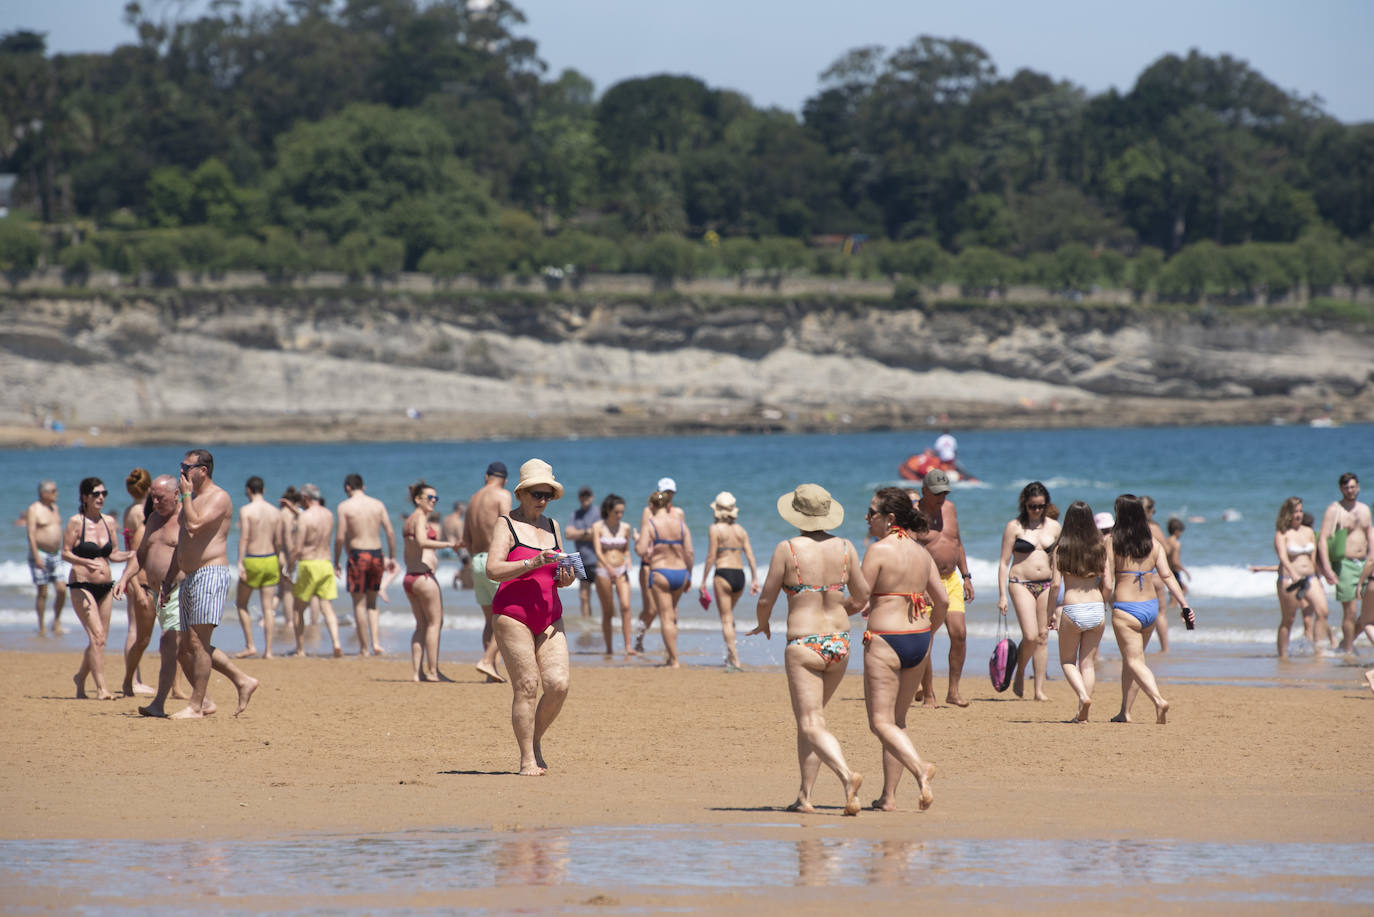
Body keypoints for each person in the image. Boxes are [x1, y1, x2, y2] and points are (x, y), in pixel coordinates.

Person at [749, 483, 869, 814]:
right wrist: (842, 608)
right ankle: (805, 796)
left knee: (810, 721)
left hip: (804, 642)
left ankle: (847, 776)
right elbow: (862, 594)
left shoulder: (787, 549)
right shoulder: (845, 547)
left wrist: (763, 623)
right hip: (840, 642)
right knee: (813, 723)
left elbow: (766, 598)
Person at [483, 459, 577, 776]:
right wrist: (533, 562)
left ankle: (535, 741)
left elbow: (564, 571)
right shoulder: (506, 524)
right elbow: (492, 569)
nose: (542, 500)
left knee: (559, 684)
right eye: (536, 493)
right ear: (522, 494)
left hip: (550, 616)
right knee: (526, 685)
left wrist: (567, 577)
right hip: (513, 615)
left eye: (547, 494)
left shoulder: (553, 526)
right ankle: (526, 759)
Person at [860, 486, 945, 812]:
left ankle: (919, 769)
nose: (867, 518)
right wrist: (930, 632)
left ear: (889, 518)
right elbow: (943, 600)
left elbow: (858, 599)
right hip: (918, 639)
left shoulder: (878, 551)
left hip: (885, 638)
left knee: (880, 723)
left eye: (872, 513)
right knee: (897, 722)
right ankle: (888, 798)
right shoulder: (922, 553)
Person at [157, 449, 259, 718]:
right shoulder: (191, 498)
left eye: (187, 467)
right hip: (188, 576)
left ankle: (196, 705)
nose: (182, 471)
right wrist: (168, 582)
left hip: (210, 573)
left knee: (198, 643)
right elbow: (183, 542)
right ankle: (241, 681)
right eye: (181, 465)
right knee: (184, 648)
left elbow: (194, 526)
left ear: (203, 470)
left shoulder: (219, 497)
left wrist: (186, 496)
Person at [1107, 494, 1193, 725]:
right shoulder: (1152, 544)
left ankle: (1158, 700)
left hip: (1126, 609)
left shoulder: (1112, 542)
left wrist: (1101, 604)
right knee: (1132, 661)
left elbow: (1106, 582)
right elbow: (1167, 576)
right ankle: (1125, 711)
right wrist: (1184, 604)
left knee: (1134, 661)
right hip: (1150, 609)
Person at [114, 475, 191, 716]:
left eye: (161, 497)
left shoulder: (186, 520)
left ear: (176, 495)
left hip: (178, 591)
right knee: (156, 643)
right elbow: (139, 555)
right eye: (153, 497)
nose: (156, 502)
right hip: (154, 592)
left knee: (171, 644)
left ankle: (162, 700)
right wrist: (126, 579)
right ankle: (129, 680)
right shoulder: (153, 521)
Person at [63, 477, 133, 700]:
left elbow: (113, 554)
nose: (101, 497)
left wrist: (134, 554)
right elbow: (65, 552)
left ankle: (80, 678)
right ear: (84, 497)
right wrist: (85, 562)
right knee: (97, 635)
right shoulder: (76, 522)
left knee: (100, 639)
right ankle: (102, 689)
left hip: (105, 586)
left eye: (104, 493)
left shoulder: (109, 522)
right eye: (96, 494)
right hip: (81, 585)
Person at [913, 469, 973, 707]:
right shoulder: (914, 514)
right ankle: (929, 693)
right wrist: (921, 585)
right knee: (926, 638)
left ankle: (953, 691)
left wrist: (966, 575)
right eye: (936, 493)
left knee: (959, 634)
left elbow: (957, 542)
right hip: (927, 582)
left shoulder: (950, 508)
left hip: (951, 579)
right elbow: (911, 551)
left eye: (945, 493)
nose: (941, 498)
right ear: (924, 491)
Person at [996, 482, 1061, 701]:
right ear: (1025, 504)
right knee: (1030, 635)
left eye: (1041, 506)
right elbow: (1004, 562)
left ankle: (1039, 689)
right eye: (1032, 506)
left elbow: (1059, 560)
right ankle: (1021, 671)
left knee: (1043, 636)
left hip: (1046, 584)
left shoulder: (1054, 527)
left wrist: (1061, 591)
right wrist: (1002, 595)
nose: (1036, 510)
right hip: (1020, 583)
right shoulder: (1014, 527)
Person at [1049, 501, 1111, 723]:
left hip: (1073, 607)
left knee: (1067, 661)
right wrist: (1101, 604)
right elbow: (1109, 584)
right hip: (1096, 607)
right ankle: (1083, 714)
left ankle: (1083, 698)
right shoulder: (1099, 548)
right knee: (1087, 663)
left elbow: (1055, 585)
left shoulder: (1061, 549)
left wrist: (1050, 613)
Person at [334, 473, 399, 655]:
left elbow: (340, 537)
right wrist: (392, 557)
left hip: (358, 554)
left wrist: (336, 561)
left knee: (359, 604)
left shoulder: (344, 507)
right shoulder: (377, 504)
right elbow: (390, 532)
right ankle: (376, 643)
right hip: (377, 553)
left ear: (347, 487)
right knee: (372, 603)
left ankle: (364, 647)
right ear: (363, 487)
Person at [402, 480, 459, 681]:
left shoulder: (409, 519)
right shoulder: (419, 518)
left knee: (421, 625)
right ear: (418, 500)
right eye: (430, 498)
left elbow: (409, 549)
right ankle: (433, 671)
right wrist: (448, 544)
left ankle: (417, 673)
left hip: (409, 577)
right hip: (423, 578)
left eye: (436, 498)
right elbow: (421, 541)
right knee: (435, 623)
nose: (434, 501)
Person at [699, 492, 760, 671]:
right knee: (730, 617)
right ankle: (729, 657)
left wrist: (702, 581)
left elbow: (711, 556)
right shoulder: (741, 530)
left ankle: (735, 660)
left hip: (723, 574)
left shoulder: (715, 529)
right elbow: (750, 555)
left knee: (725, 619)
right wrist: (755, 579)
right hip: (740, 575)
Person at [465, 462, 511, 683]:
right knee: (506, 615)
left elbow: (466, 538)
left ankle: (490, 671)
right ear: (506, 480)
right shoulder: (503, 495)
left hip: (476, 561)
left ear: (486, 476)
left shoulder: (473, 499)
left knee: (489, 620)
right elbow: (508, 529)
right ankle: (487, 660)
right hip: (494, 561)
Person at [637, 488, 694, 668]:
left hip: (661, 572)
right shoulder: (680, 523)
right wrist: (689, 575)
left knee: (666, 617)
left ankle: (674, 661)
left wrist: (637, 539)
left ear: (652, 506)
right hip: (681, 572)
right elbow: (690, 552)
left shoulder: (651, 523)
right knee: (672, 615)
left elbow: (641, 550)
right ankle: (670, 656)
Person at [1318, 473, 1372, 653]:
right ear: (1341, 489)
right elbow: (1323, 540)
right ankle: (1348, 652)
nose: (1350, 490)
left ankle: (1345, 644)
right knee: (1350, 610)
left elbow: (1370, 535)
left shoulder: (1364, 509)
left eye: (1353, 487)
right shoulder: (1335, 510)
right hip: (1345, 564)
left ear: (1358, 487)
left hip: (1365, 563)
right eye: (1346, 487)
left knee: (1368, 611)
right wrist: (1326, 568)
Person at [235, 476, 287, 658]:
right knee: (268, 608)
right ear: (263, 490)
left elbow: (245, 538)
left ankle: (250, 644)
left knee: (241, 604)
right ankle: (269, 651)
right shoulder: (275, 512)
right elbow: (279, 541)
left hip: (253, 560)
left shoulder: (246, 510)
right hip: (270, 559)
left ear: (248, 490)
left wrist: (240, 561)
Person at [1273, 496, 1330, 657]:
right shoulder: (1282, 533)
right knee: (1288, 619)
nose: (1298, 515)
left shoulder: (1309, 531)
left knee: (1323, 611)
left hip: (1310, 578)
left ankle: (1319, 651)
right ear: (1287, 513)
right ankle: (1283, 656)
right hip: (1290, 580)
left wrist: (1320, 576)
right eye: (1295, 511)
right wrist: (1293, 574)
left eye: (1300, 511)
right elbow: (1283, 557)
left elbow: (1313, 558)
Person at [291, 483, 343, 658]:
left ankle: (300, 649)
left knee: (298, 608)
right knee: (327, 606)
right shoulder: (329, 515)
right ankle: (336, 642)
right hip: (325, 563)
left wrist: (288, 566)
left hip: (309, 563)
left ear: (306, 498)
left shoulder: (305, 517)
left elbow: (298, 548)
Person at [634, 477, 685, 651]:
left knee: (672, 611)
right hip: (650, 565)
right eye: (666, 492)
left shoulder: (678, 513)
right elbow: (644, 539)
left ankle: (671, 650)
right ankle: (639, 639)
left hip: (674, 568)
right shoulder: (648, 512)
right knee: (651, 609)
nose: (669, 496)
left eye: (672, 492)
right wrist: (637, 541)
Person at [119, 468, 156, 696]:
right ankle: (133, 680)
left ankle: (135, 678)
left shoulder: (129, 510)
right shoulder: (142, 512)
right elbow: (137, 550)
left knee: (135, 628)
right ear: (149, 487)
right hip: (138, 574)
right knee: (135, 629)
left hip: (132, 572)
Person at [591, 493, 636, 656]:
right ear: (608, 510)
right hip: (603, 569)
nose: (620, 515)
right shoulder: (598, 527)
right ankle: (609, 648)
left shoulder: (625, 527)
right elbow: (597, 550)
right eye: (617, 512)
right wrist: (608, 567)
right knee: (608, 611)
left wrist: (628, 559)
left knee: (625, 607)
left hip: (621, 569)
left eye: (622, 512)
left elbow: (626, 549)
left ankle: (628, 646)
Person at [24, 480, 68, 635]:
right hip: (40, 553)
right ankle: (41, 625)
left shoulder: (54, 508)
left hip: (56, 553)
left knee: (62, 589)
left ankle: (56, 621)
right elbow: (30, 533)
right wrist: (36, 556)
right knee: (42, 592)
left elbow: (57, 529)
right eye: (54, 491)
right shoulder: (34, 509)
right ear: (44, 494)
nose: (57, 493)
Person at [1140, 496, 1171, 653]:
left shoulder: (1133, 528)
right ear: (1150, 511)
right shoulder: (1153, 528)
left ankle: (1138, 648)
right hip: (1156, 575)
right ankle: (1164, 648)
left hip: (1139, 577)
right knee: (1160, 614)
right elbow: (1166, 549)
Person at [564, 487, 599, 617]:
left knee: (604, 596)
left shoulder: (598, 513)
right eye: (583, 497)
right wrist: (586, 532)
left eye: (587, 496)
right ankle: (587, 625)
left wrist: (577, 534)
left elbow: (598, 533)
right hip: (581, 561)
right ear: (579, 498)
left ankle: (610, 624)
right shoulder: (575, 514)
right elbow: (568, 534)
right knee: (584, 596)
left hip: (598, 560)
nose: (585, 499)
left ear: (592, 497)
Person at [276, 486, 303, 653]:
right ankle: (305, 621)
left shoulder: (283, 514)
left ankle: (289, 621)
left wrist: (284, 555)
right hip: (298, 554)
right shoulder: (298, 514)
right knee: (296, 591)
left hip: (286, 554)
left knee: (285, 591)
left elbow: (283, 538)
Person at [441, 501, 473, 589]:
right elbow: (461, 539)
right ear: (460, 509)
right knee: (467, 565)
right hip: (454, 549)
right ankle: (463, 582)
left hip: (444, 548)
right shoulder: (458, 522)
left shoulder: (446, 519)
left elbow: (442, 536)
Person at [1165, 517, 1189, 616]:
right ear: (1176, 531)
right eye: (1180, 532)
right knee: (1181, 591)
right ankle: (1170, 612)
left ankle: (1169, 612)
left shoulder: (1166, 541)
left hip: (1168, 570)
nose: (1181, 534)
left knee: (1174, 594)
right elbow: (1175, 561)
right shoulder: (1176, 543)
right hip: (1174, 571)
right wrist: (1185, 571)